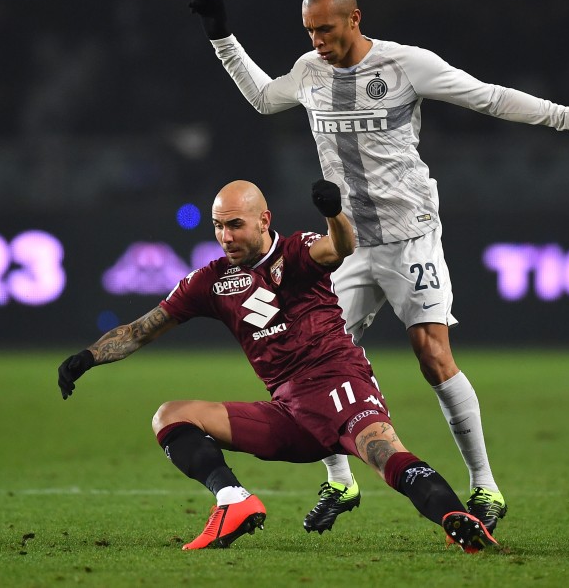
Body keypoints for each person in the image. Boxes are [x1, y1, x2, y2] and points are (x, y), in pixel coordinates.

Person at [188, 0, 569, 534]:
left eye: (325, 29)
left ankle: (486, 487)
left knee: (432, 355)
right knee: (307, 365)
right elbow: (261, 97)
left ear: (354, 18)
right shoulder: (309, 71)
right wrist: (221, 36)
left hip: (408, 235)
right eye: (309, 31)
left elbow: (489, 97)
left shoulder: (406, 66)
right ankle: (341, 481)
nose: (317, 41)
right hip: (344, 245)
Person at [57, 179, 499, 553]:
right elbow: (141, 329)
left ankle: (455, 517)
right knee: (169, 416)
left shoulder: (296, 252)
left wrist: (334, 214)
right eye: (218, 227)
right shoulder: (210, 281)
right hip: (288, 413)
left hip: (338, 386)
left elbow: (339, 248)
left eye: (235, 225)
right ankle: (233, 498)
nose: (225, 237)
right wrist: (88, 357)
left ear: (264, 221)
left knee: (385, 454)